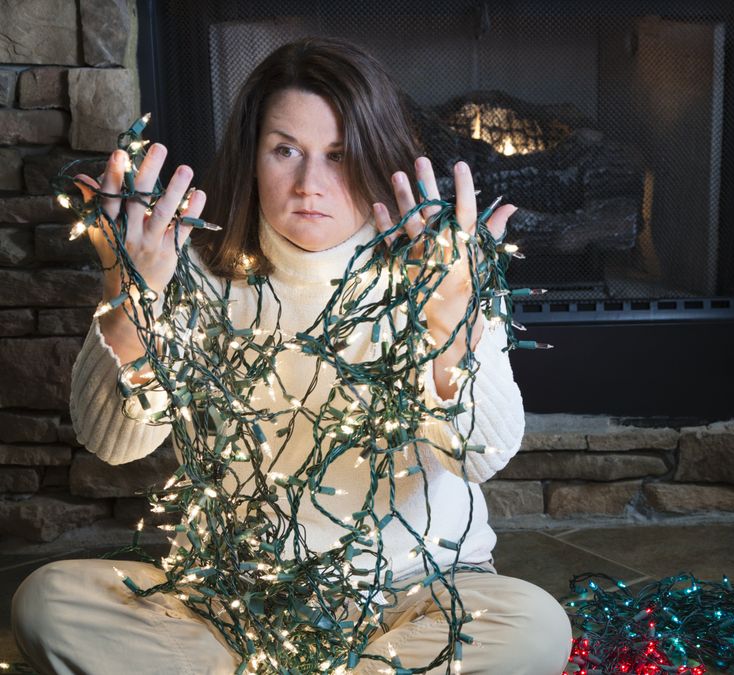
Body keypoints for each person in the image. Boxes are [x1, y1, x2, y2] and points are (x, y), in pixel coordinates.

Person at [10, 36, 572, 675]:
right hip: (227, 599)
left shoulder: (444, 272)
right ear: (252, 158)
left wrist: (450, 326)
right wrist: (128, 297)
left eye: (339, 155)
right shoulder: (182, 268)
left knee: (533, 628)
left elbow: (481, 454)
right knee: (49, 602)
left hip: (417, 593)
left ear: (376, 156)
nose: (311, 184)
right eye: (286, 151)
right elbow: (114, 443)